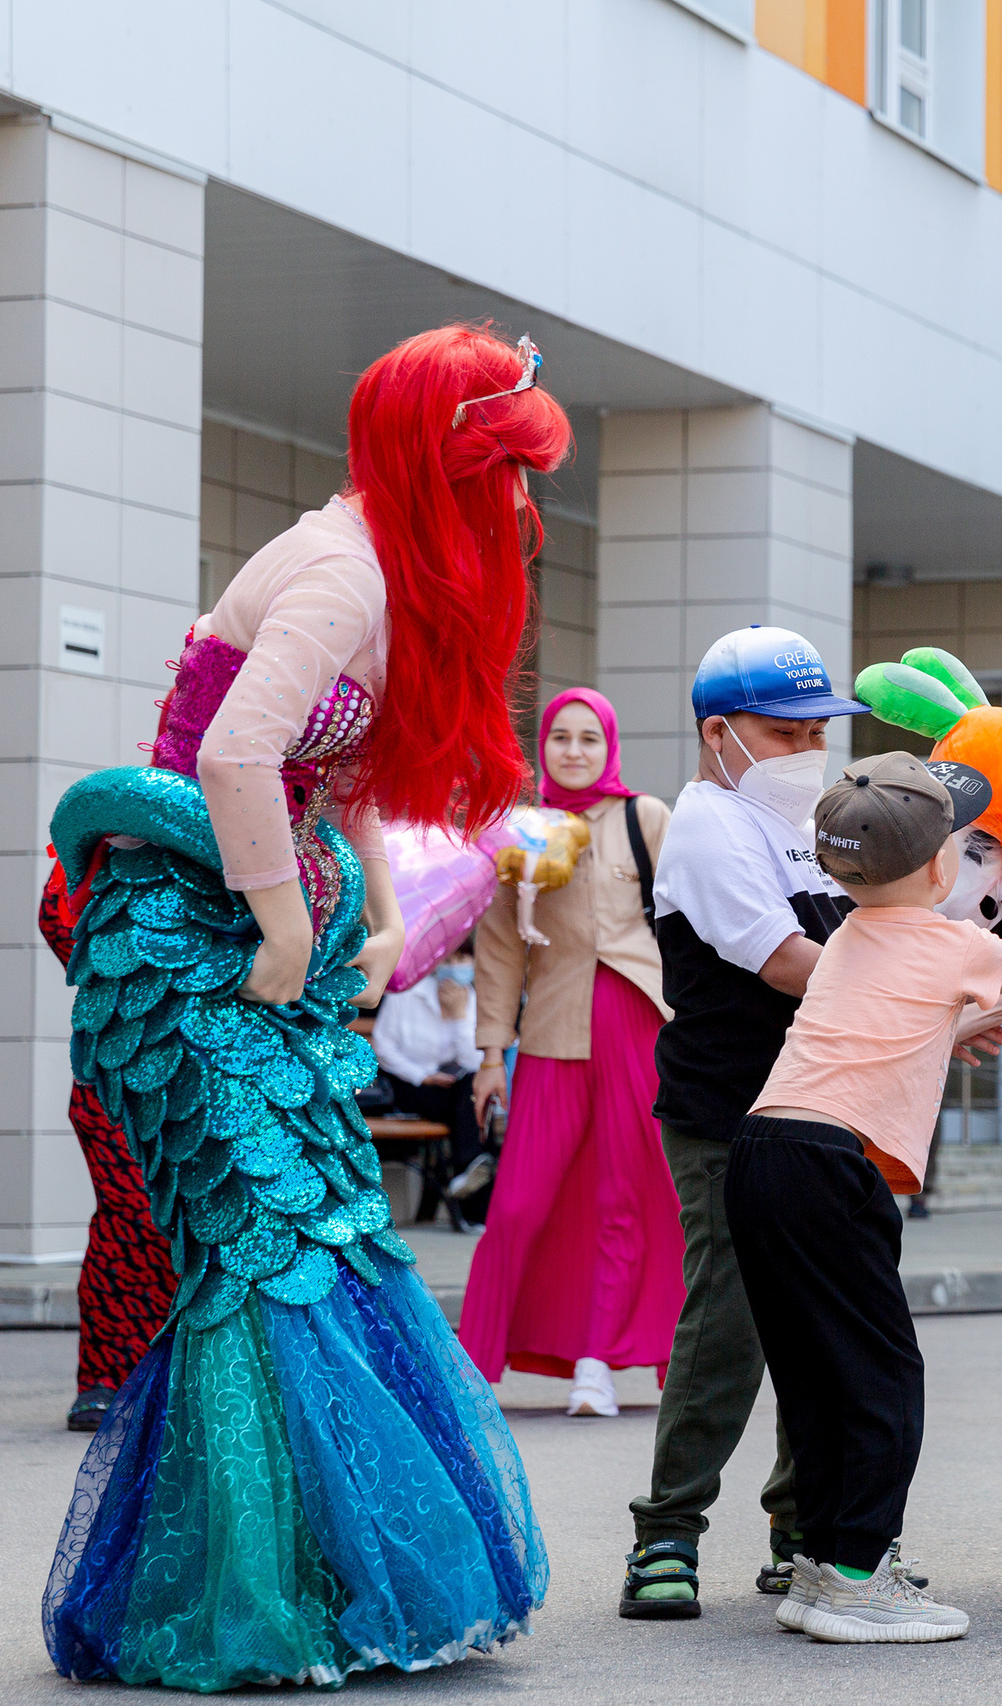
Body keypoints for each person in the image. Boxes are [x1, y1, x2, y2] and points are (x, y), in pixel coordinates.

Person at [41, 323, 564, 1689]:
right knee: (258, 1251)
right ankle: (252, 1587)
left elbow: (333, 773)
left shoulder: (372, 568)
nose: (525, 503)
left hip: (261, 939)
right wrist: (290, 920)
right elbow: (232, 752)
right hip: (184, 943)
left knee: (318, 1240)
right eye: (508, 471)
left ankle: (303, 1575)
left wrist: (377, 911)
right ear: (448, 470)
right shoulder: (339, 570)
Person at [734, 752, 1002, 1644]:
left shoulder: (843, 941)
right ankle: (863, 1575)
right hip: (836, 1167)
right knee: (882, 1376)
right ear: (944, 868)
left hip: (764, 1154)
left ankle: (822, 1567)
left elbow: (915, 1022)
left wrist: (986, 1015)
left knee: (813, 1373)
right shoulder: (961, 943)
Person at [621, 627, 871, 1617]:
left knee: (819, 1321)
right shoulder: (708, 824)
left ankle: (801, 1524)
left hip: (825, 1100)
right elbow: (789, 962)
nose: (809, 750)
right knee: (730, 1320)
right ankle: (666, 1533)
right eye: (785, 731)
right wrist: (931, 997)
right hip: (729, 1109)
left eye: (820, 730)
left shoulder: (811, 822)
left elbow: (878, 931)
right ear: (718, 733)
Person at [461, 689, 682, 1418]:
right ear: (543, 747)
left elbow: (693, 926)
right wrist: (491, 1053)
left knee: (626, 1197)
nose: (576, 750)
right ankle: (471, 1367)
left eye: (590, 737)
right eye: (561, 737)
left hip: (638, 1024)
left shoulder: (646, 818)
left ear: (609, 745)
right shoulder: (520, 829)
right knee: (519, 1201)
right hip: (553, 1030)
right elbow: (497, 952)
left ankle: (597, 1363)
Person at [34, 870, 180, 1432]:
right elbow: (60, 925)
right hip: (114, 1068)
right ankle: (107, 1374)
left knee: (197, 1220)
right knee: (131, 1216)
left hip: (207, 1060)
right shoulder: (97, 840)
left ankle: (182, 1375)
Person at [370, 940, 488, 1230]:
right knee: (470, 1108)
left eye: (462, 961)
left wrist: (459, 1017)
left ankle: (468, 1171)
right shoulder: (407, 995)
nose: (455, 968)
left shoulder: (469, 999)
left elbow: (473, 1061)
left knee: (472, 1091)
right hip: (410, 1084)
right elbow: (384, 1048)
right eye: (448, 960)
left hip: (453, 1088)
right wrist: (423, 1075)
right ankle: (471, 1180)